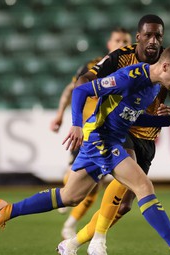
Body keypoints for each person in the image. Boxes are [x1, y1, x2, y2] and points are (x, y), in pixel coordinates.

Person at [0, 40, 170, 255]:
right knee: (142, 185)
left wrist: (168, 120)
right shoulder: (129, 77)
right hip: (102, 137)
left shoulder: (153, 86)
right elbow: (81, 90)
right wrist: (76, 125)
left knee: (70, 196)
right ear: (166, 67)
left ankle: (5, 210)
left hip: (110, 139)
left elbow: (131, 116)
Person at [61, 14, 170, 255]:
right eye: (150, 35)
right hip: (124, 129)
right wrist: (88, 98)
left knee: (123, 206)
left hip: (149, 133)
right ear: (139, 37)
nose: (154, 40)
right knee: (130, 181)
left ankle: (72, 243)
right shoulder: (122, 57)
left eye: (159, 36)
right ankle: (99, 239)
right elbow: (85, 81)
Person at [49, 27, 132, 239]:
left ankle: (70, 224)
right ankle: (68, 187)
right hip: (87, 130)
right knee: (85, 182)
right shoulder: (94, 66)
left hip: (113, 130)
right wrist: (60, 114)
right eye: (117, 40)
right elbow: (72, 89)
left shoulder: (134, 70)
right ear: (109, 44)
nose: (121, 43)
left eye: (125, 40)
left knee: (95, 185)